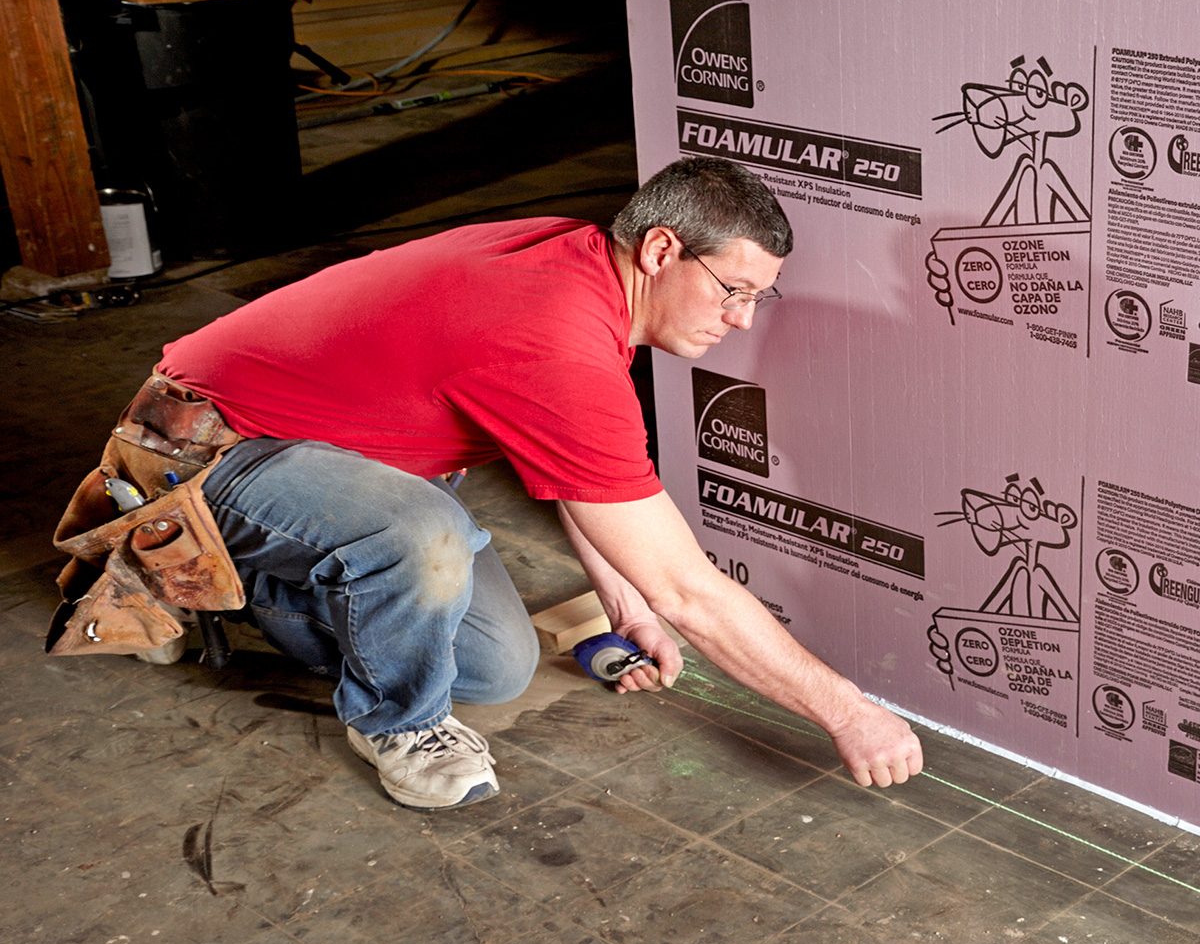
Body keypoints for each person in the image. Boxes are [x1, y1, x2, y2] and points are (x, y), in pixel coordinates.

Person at [156, 157, 923, 810]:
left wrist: (626, 607)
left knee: (493, 669)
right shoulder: (554, 338)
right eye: (733, 289)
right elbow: (690, 591)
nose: (743, 320)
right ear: (661, 249)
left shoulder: (588, 269)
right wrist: (848, 713)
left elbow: (579, 481)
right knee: (425, 536)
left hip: (347, 458)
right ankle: (384, 713)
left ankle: (268, 586)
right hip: (204, 450)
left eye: (759, 296)